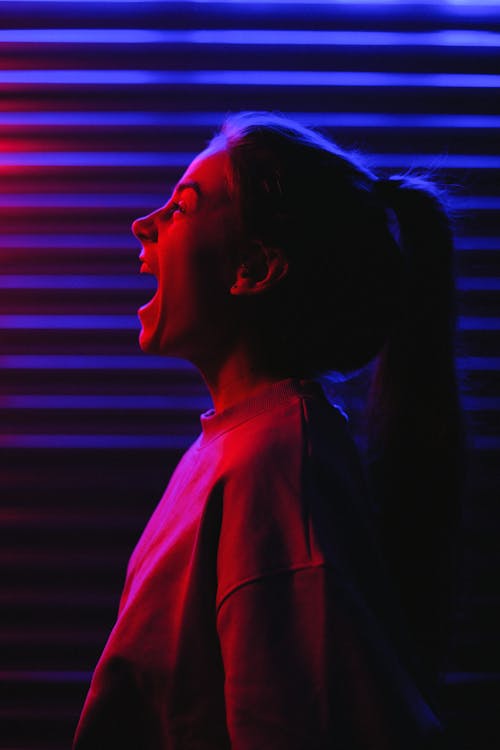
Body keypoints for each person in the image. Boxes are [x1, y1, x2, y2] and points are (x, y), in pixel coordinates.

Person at [73, 112, 465, 749]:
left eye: (182, 207)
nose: (142, 223)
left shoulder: (275, 472)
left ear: (253, 268)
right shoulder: (239, 448)